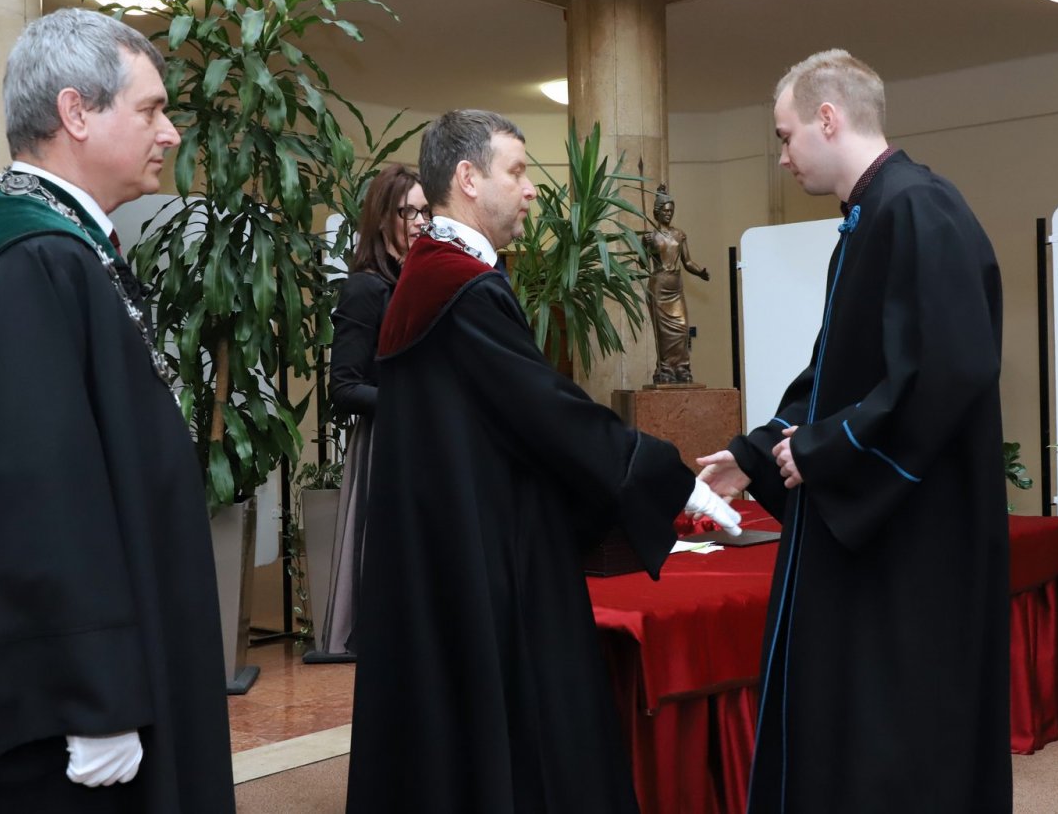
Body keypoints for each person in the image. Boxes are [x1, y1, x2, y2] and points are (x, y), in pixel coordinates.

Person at [0, 9, 235, 813]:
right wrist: (93, 695)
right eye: (150, 109)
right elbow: (38, 494)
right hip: (68, 718)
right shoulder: (35, 258)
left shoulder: (63, 248)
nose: (171, 132)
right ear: (76, 112)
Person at [345, 109, 739, 813]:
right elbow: (549, 412)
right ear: (468, 178)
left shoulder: (434, 276)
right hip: (485, 555)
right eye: (518, 171)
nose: (531, 189)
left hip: (450, 550)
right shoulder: (458, 286)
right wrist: (671, 481)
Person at [698, 50, 1009, 812]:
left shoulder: (918, 208)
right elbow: (839, 370)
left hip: (913, 542)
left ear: (828, 118)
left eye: (785, 136)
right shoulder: (875, 216)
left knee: (896, 734)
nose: (782, 157)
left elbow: (947, 369)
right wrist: (754, 453)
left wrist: (826, 448)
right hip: (883, 539)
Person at [308, 164, 429, 663]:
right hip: (386, 446)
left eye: (425, 212)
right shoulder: (365, 288)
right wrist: (413, 402)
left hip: (423, 441)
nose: (420, 222)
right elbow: (343, 387)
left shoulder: (419, 280)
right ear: (382, 219)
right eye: (408, 212)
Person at [641, 183, 709, 384]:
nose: (668, 214)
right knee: (663, 334)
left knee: (681, 328)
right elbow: (642, 264)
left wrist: (700, 272)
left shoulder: (679, 235)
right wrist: (645, 247)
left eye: (671, 211)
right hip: (659, 286)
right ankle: (665, 370)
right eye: (665, 211)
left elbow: (688, 262)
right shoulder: (651, 236)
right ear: (657, 212)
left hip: (675, 287)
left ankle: (682, 368)